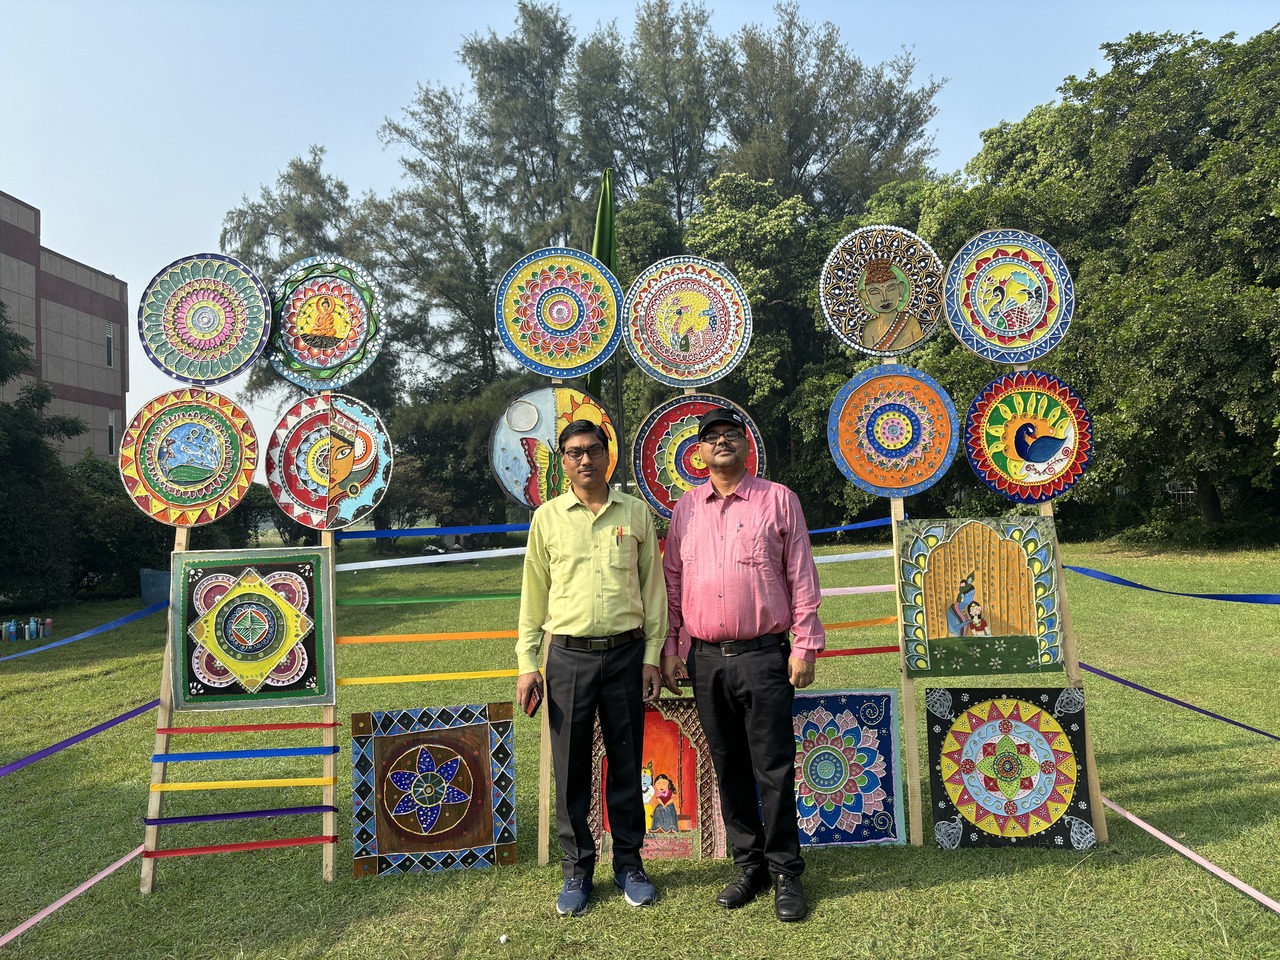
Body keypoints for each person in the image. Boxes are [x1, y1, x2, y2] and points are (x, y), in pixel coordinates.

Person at [659, 406, 825, 922]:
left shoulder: (778, 500)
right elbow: (672, 582)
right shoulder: (686, 509)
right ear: (698, 452)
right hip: (705, 660)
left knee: (773, 767)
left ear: (746, 444)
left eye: (731, 433)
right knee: (728, 766)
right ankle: (748, 866)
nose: (722, 441)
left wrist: (805, 645)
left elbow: (800, 574)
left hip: (764, 656)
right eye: (712, 436)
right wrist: (671, 648)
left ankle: (785, 871)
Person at [516, 419, 668, 917]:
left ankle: (629, 864)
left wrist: (652, 655)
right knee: (571, 769)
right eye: (574, 452)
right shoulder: (548, 518)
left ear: (608, 455)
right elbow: (534, 593)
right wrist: (527, 662)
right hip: (567, 659)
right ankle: (577, 869)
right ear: (563, 461)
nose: (585, 459)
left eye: (593, 450)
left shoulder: (636, 513)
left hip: (626, 656)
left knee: (626, 764)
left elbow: (653, 590)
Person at [859, 258, 922, 352]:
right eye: (875, 292)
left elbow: (920, 351)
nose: (884, 297)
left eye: (891, 289)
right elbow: (869, 357)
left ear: (900, 290)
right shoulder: (869, 328)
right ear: (865, 297)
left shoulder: (910, 321)